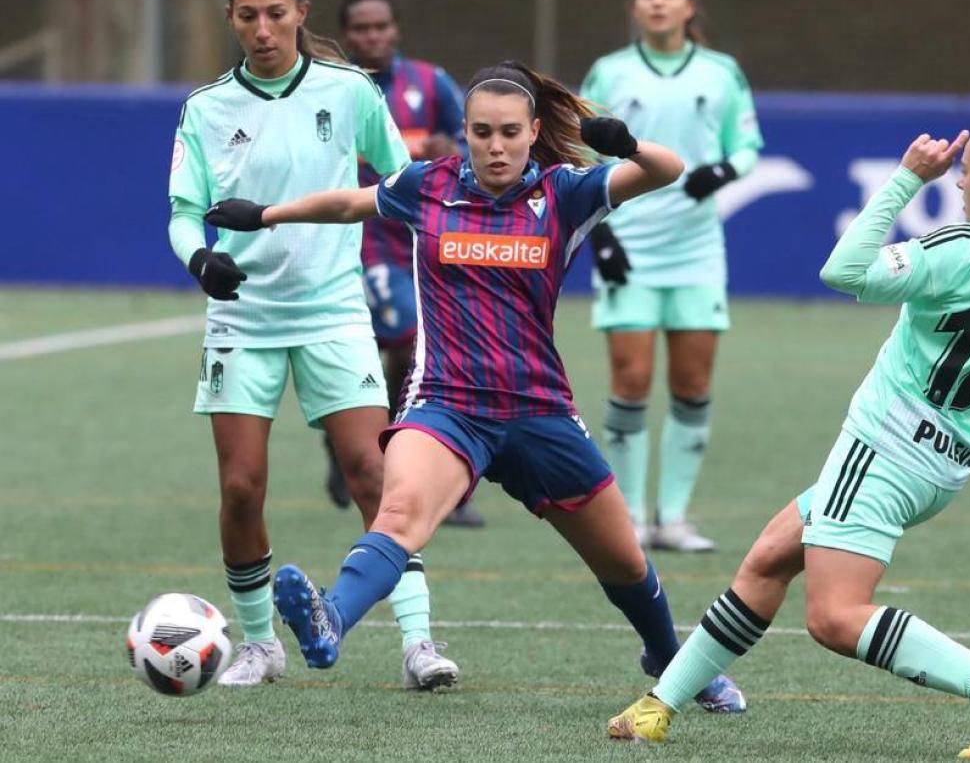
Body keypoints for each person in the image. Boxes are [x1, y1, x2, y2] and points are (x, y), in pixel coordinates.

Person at [606, 51, 970, 759]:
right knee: (767, 561)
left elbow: (842, 270)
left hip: (883, 448)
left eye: (965, 169)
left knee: (834, 617)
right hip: (943, 464)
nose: (957, 180)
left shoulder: (957, 250)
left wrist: (905, 179)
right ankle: (659, 705)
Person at [205, 61, 746, 711]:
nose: (496, 146)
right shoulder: (426, 185)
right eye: (482, 132)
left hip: (539, 410)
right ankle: (331, 619)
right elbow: (349, 202)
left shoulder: (565, 192)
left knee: (625, 563)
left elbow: (667, 170)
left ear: (533, 131)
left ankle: (670, 659)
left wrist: (625, 143)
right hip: (447, 405)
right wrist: (265, 214)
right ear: (463, 132)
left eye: (510, 132)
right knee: (400, 515)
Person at [167, 0, 456, 690]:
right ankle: (260, 645)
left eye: (276, 13)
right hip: (242, 322)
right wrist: (202, 260)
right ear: (232, 20)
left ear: (301, 11)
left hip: (334, 312)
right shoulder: (207, 106)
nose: (262, 29)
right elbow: (182, 213)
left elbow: (401, 180)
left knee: (375, 474)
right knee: (241, 487)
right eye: (247, 16)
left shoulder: (349, 90)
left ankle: (418, 643)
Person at [579, 0, 764, 552]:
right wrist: (600, 234)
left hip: (696, 249)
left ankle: (675, 517)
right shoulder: (609, 73)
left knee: (692, 382)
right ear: (635, 6)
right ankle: (631, 518)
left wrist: (722, 171)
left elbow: (748, 146)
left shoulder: (721, 72)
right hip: (629, 246)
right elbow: (580, 154)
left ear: (689, 5)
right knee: (631, 380)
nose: (658, 2)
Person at [324, 0, 485, 528]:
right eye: (361, 28)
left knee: (415, 349)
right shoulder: (333, 89)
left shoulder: (430, 82)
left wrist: (455, 151)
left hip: (425, 238)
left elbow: (476, 140)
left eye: (381, 26)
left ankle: (369, 446)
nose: (372, 36)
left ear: (395, 30)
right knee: (408, 337)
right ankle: (375, 451)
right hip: (364, 237)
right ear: (346, 36)